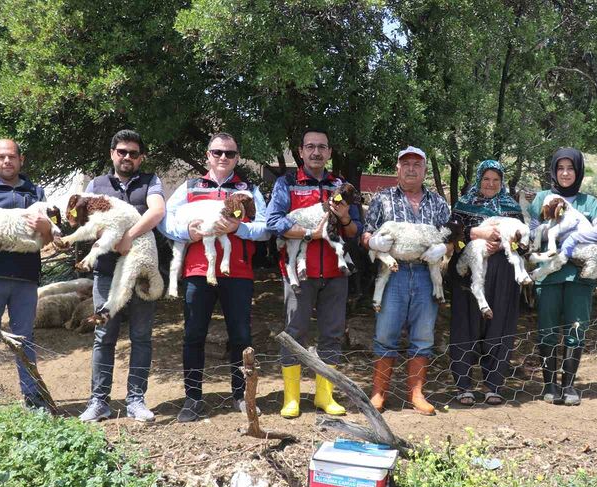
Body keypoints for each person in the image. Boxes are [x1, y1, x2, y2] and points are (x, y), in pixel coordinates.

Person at [161, 132, 270, 422]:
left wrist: (238, 230)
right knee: (194, 335)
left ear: (237, 157)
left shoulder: (248, 191)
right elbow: (165, 220)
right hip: (198, 272)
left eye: (230, 153)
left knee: (241, 336)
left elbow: (266, 228)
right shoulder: (190, 187)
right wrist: (188, 233)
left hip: (238, 272)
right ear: (208, 155)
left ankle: (240, 396)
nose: (223, 157)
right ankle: (193, 398)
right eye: (217, 152)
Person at [266, 128, 362, 418]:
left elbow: (355, 231)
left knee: (332, 335)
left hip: (335, 273)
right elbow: (273, 222)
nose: (316, 152)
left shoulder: (340, 186)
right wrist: (311, 233)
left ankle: (325, 396)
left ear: (330, 152)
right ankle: (292, 398)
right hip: (298, 272)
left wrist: (344, 217)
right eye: (311, 147)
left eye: (322, 147)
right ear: (302, 151)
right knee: (295, 333)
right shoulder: (287, 183)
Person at [79, 130, 165, 423]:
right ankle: (98, 401)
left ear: (141, 157)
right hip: (106, 274)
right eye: (121, 151)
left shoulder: (151, 182)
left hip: (141, 273)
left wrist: (128, 236)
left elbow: (157, 213)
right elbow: (88, 218)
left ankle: (136, 401)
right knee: (104, 336)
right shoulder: (96, 184)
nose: (127, 157)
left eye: (133, 153)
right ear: (112, 153)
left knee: (141, 337)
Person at [0, 139, 55, 408]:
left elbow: (49, 239)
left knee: (24, 338)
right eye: (1, 157)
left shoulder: (36, 193)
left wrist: (45, 227)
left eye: (12, 157)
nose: (7, 161)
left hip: (26, 279)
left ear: (21, 160)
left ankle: (32, 396)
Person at [362, 146, 451, 416]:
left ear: (424, 170)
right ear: (397, 169)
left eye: (417, 164)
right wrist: (372, 241)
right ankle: (378, 393)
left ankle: (416, 393)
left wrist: (445, 250)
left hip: (426, 273)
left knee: (423, 336)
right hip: (393, 274)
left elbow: (450, 240)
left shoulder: (437, 202)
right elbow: (365, 235)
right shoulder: (383, 199)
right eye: (406, 164)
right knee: (385, 334)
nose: (411, 168)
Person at [528, 148, 597, 406]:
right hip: (549, 275)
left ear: (578, 171)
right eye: (561, 168)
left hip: (580, 276)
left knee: (577, 328)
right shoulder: (542, 197)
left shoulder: (589, 202)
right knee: (547, 328)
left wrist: (572, 241)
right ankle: (550, 384)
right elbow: (532, 230)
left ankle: (569, 386)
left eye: (571, 168)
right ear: (554, 170)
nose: (565, 173)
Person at [448, 160, 524, 406]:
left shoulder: (511, 207)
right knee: (465, 326)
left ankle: (493, 385)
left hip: (503, 275)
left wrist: (503, 244)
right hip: (469, 274)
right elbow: (453, 237)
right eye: (486, 179)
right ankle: (463, 385)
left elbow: (521, 243)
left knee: (499, 326)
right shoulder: (463, 205)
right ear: (478, 180)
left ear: (502, 183)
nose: (491, 184)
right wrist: (476, 236)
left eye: (496, 180)